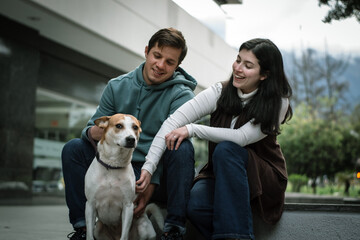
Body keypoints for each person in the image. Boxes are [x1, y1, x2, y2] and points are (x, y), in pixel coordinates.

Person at [145, 38, 293, 240]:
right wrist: (148, 168)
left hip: (263, 177)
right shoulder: (220, 91)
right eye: (238, 60)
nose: (238, 68)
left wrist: (192, 129)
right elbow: (172, 123)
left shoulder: (278, 102)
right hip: (220, 176)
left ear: (265, 75)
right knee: (195, 204)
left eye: (248, 65)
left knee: (226, 150)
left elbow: (240, 138)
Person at [61, 27, 197, 240]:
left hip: (155, 172)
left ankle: (174, 230)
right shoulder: (117, 86)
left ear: (177, 65)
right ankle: (82, 229)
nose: (160, 65)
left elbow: (171, 141)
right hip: (114, 162)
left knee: (183, 146)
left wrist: (152, 182)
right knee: (73, 148)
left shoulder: (182, 96)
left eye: (170, 62)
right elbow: (88, 131)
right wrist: (108, 128)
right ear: (146, 51)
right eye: (157, 56)